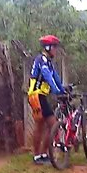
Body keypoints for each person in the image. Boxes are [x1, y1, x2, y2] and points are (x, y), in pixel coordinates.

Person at [27, 35, 65, 164]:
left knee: (47, 125)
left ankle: (43, 154)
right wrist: (56, 90)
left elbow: (55, 76)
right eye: (54, 47)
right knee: (47, 124)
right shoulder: (41, 59)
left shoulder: (48, 61)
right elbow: (47, 75)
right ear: (48, 47)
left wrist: (62, 89)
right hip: (36, 95)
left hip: (40, 95)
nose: (56, 50)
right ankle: (38, 155)